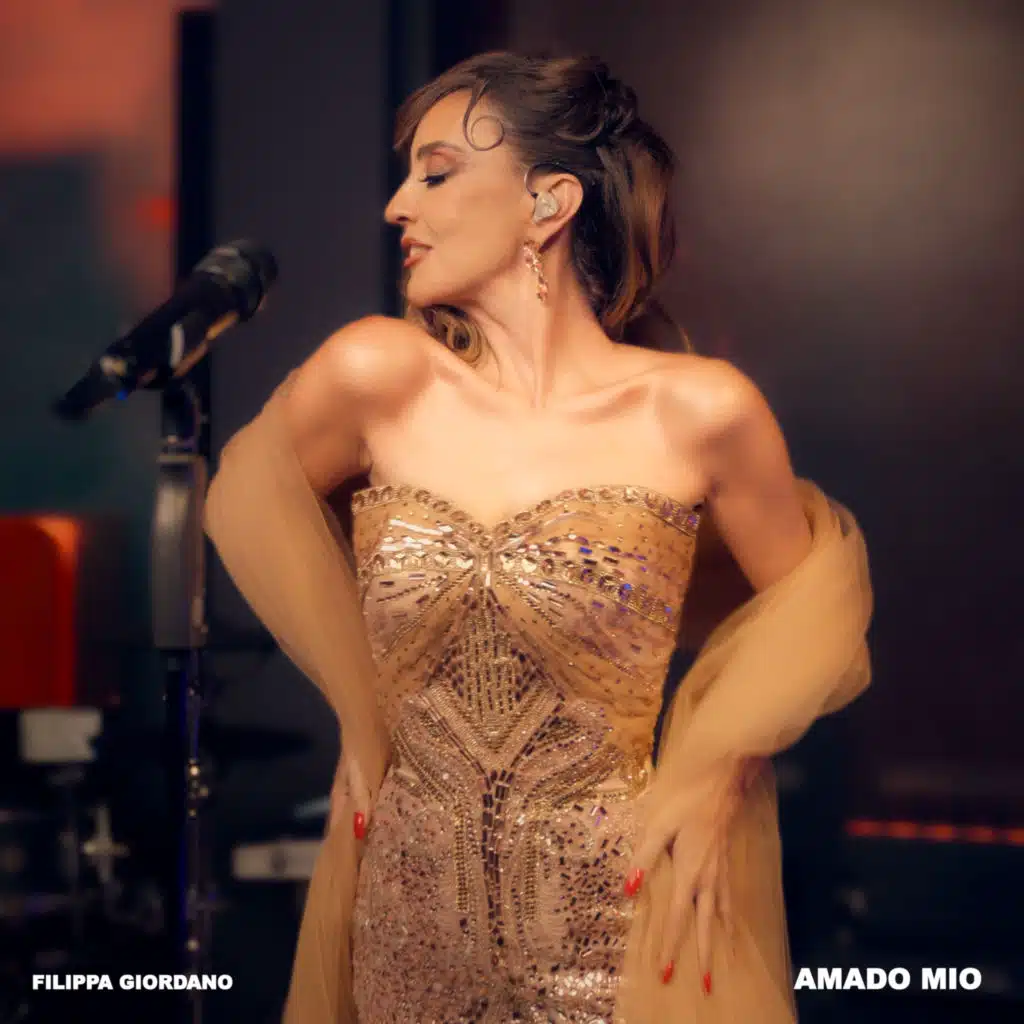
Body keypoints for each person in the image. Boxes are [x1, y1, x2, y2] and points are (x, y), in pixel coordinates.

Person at [204, 52, 873, 1024]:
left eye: (436, 174)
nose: (397, 205)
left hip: (616, 924)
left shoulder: (699, 411)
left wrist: (715, 773)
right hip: (410, 922)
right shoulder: (376, 376)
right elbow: (249, 500)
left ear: (548, 203)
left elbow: (816, 613)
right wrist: (361, 705)